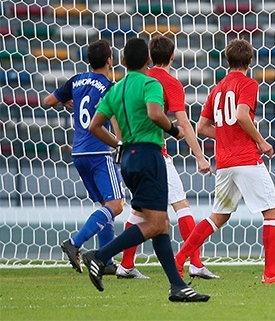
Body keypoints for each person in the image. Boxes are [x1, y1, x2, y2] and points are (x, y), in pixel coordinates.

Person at [85, 37, 210, 302]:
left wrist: (117, 144)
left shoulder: (116, 89)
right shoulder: (150, 84)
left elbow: (94, 126)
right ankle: (100, 255)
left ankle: (177, 286)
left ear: (122, 61)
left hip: (128, 159)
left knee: (160, 223)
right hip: (148, 155)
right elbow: (155, 113)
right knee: (156, 223)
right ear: (148, 60)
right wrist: (173, 130)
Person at [174, 38, 275, 284]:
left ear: (228, 61)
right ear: (250, 61)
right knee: (271, 211)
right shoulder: (248, 83)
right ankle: (270, 274)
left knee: (218, 216)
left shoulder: (218, 88)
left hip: (225, 162)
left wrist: (227, 136)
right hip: (246, 159)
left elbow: (201, 127)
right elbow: (241, 114)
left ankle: (179, 260)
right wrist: (261, 141)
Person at [117, 35, 216, 280]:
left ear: (150, 57)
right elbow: (184, 123)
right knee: (181, 205)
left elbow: (116, 115)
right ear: (173, 56)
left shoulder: (138, 79)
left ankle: (126, 265)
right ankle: (195, 262)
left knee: (139, 211)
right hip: (155, 155)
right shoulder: (169, 83)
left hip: (132, 154)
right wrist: (200, 156)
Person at [42, 39, 124, 276]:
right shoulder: (109, 86)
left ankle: (106, 261)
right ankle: (74, 243)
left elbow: (48, 101)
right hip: (99, 152)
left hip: (78, 153)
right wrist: (120, 144)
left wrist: (67, 102)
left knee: (105, 206)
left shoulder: (76, 80)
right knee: (116, 205)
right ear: (109, 60)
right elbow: (114, 118)